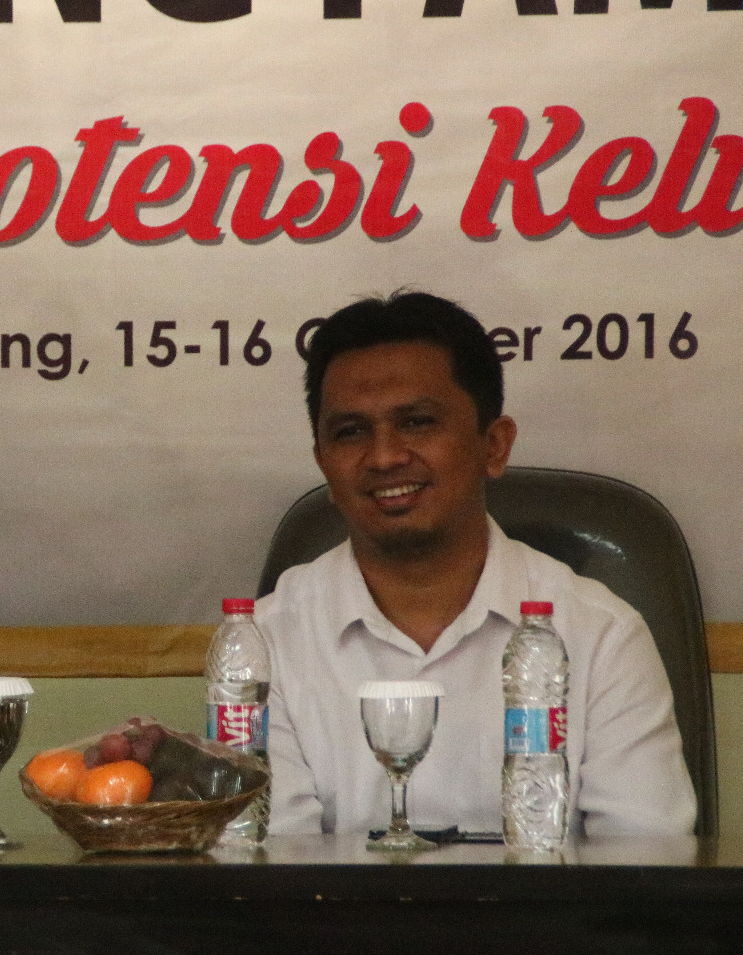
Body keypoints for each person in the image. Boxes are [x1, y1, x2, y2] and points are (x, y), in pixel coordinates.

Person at [259, 291, 696, 837]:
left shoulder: (600, 635)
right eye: (351, 432)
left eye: (417, 422)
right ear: (323, 462)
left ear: (494, 445)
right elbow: (271, 866)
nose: (385, 456)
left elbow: (644, 865)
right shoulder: (266, 642)